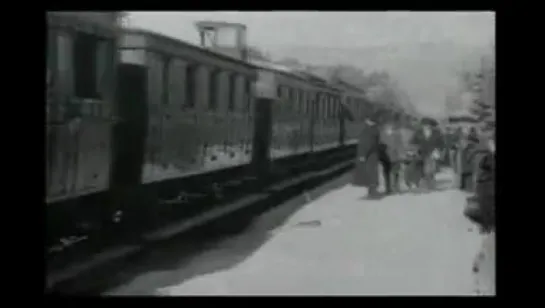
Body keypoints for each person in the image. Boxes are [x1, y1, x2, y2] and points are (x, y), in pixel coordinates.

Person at [410, 119, 444, 190]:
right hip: (421, 153)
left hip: (432, 153)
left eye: (428, 125)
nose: (426, 126)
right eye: (425, 125)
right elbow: (413, 141)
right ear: (422, 126)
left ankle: (430, 184)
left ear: (431, 126)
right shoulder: (418, 132)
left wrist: (437, 150)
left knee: (430, 169)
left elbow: (441, 143)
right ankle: (424, 183)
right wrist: (415, 149)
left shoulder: (437, 132)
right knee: (422, 169)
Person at [353, 115, 381, 198]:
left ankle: (372, 191)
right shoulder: (375, 130)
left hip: (369, 156)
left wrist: (362, 155)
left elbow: (366, 143)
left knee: (369, 172)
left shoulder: (369, 130)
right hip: (373, 155)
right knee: (373, 172)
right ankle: (372, 190)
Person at [379, 119, 405, 194]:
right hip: (385, 156)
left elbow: (400, 145)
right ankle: (388, 188)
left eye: (390, 127)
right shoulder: (382, 135)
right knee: (386, 172)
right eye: (387, 127)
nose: (389, 128)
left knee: (396, 171)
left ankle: (396, 186)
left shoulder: (397, 135)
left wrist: (401, 154)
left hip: (395, 156)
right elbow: (379, 145)